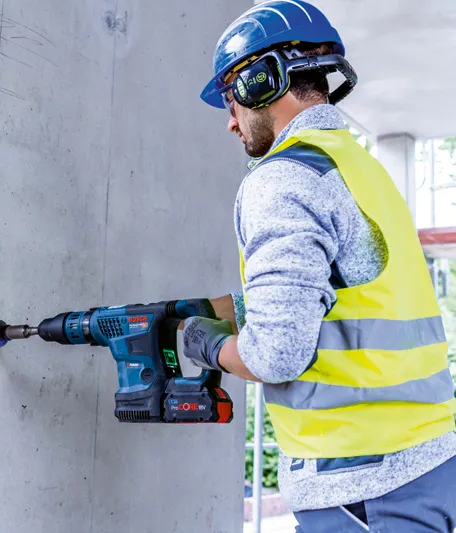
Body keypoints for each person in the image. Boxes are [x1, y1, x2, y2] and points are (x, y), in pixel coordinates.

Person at [180, 1, 456, 531]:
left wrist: (204, 343)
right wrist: (214, 309)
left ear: (263, 81)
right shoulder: (357, 167)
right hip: (426, 467)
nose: (231, 121)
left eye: (232, 99)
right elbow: (342, 293)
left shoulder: (283, 178)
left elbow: (277, 354)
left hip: (362, 484)